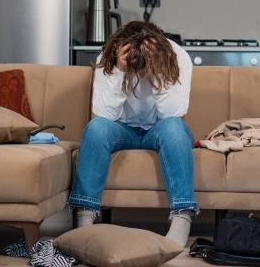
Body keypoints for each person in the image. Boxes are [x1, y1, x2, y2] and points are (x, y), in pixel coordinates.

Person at [67, 20, 199, 248]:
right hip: (122, 130)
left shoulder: (178, 56)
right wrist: (120, 72)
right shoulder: (107, 57)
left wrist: (157, 74)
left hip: (159, 129)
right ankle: (84, 218)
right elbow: (103, 113)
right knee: (96, 127)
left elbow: (174, 113)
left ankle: (182, 217)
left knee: (175, 128)